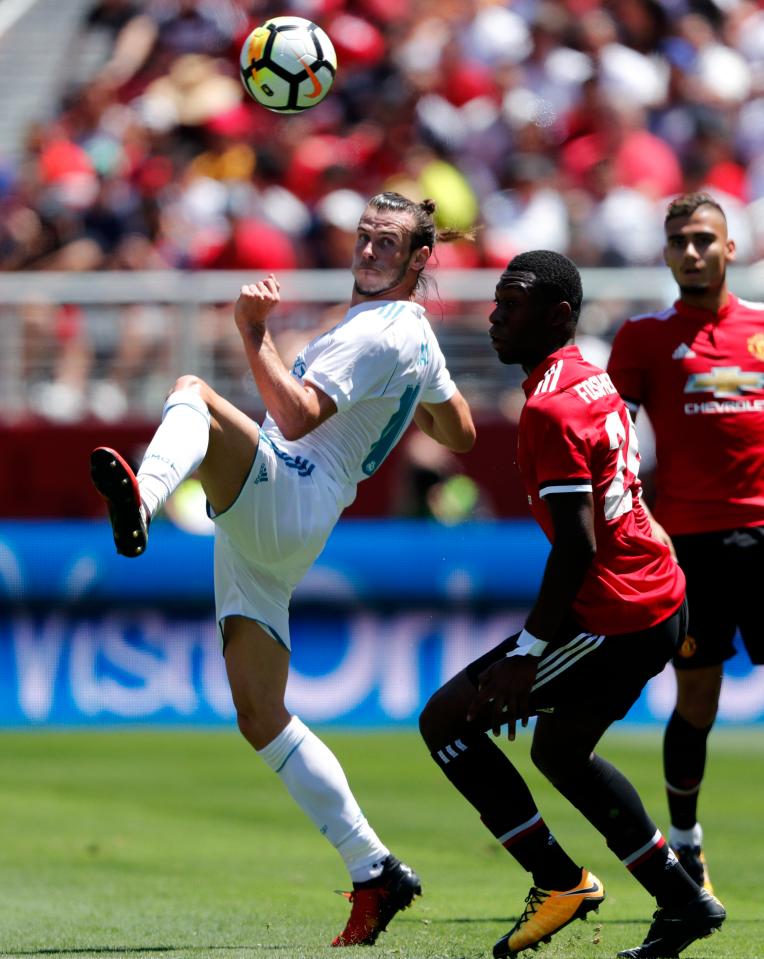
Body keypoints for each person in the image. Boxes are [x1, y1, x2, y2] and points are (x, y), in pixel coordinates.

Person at [89, 192, 476, 947]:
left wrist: (252, 331)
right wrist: (408, 402)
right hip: (284, 523)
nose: (367, 250)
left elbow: (295, 417)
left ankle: (147, 496)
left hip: (289, 493)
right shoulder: (412, 334)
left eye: (387, 243)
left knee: (194, 394)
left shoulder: (378, 335)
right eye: (364, 236)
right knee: (261, 715)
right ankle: (376, 869)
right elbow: (459, 429)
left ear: (419, 260)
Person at [419, 250, 726, 959]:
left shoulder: (552, 407)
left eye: (513, 302)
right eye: (496, 300)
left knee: (448, 722)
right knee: (559, 748)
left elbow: (578, 548)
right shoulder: (590, 380)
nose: (495, 315)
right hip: (654, 593)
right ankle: (683, 901)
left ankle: (560, 881)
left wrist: (528, 655)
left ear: (558, 314)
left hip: (617, 612)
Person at [607, 191, 764, 894]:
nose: (692, 251)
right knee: (696, 698)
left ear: (732, 248)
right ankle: (688, 841)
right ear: (666, 253)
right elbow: (607, 443)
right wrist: (635, 519)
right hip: (691, 546)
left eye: (705, 239)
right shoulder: (642, 338)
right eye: (680, 241)